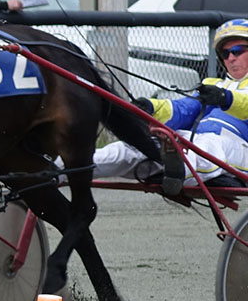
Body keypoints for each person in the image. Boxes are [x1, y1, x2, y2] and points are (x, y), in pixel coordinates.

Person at [77, 18, 248, 189]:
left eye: (237, 50)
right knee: (128, 149)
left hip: (238, 147)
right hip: (194, 142)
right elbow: (184, 109)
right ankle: (62, 168)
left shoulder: (222, 93)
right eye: (225, 54)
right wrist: (150, 107)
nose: (231, 58)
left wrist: (226, 98)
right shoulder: (214, 84)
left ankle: (177, 169)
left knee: (211, 145)